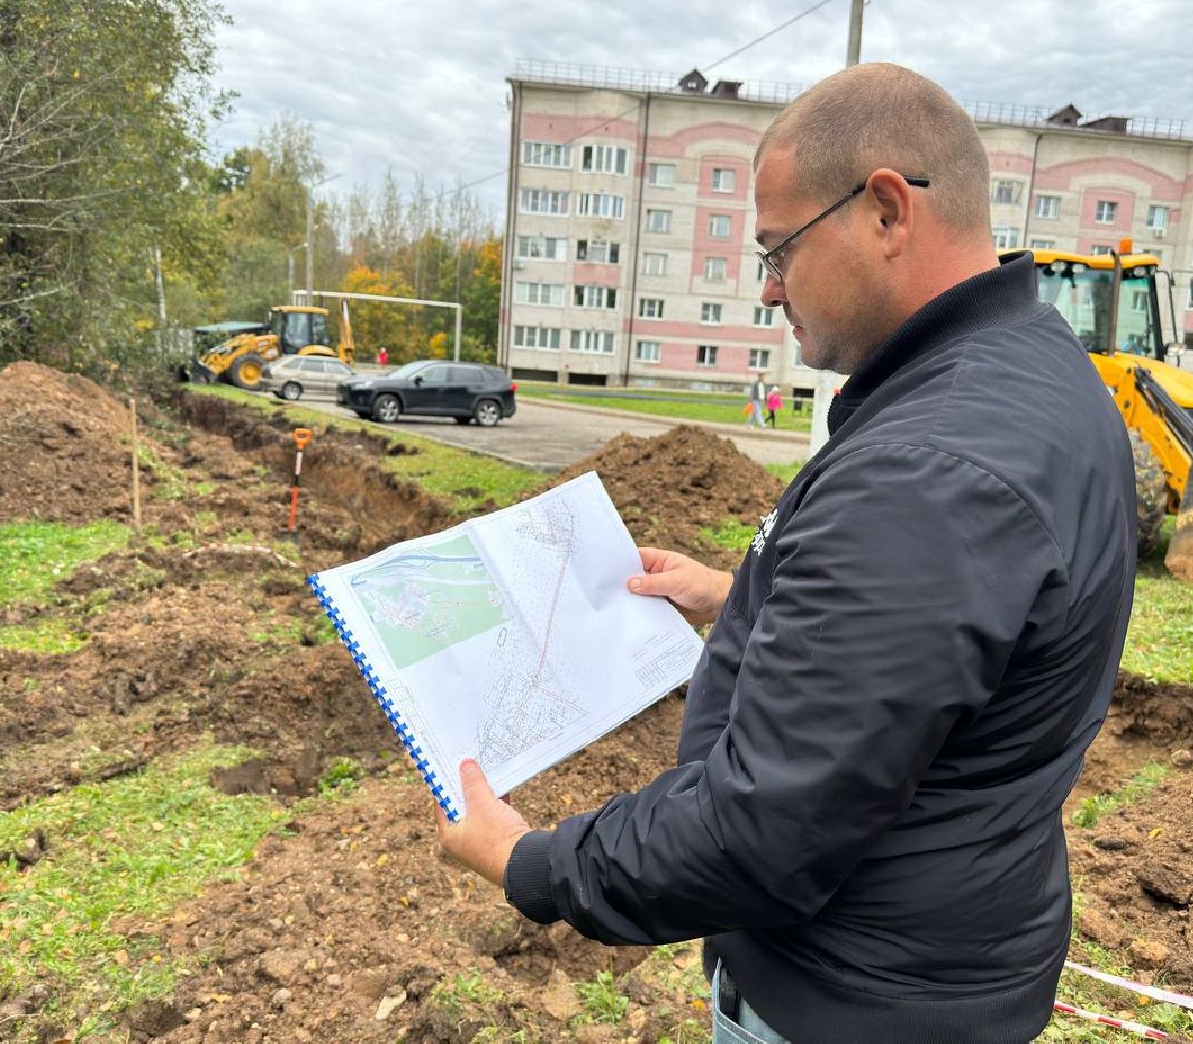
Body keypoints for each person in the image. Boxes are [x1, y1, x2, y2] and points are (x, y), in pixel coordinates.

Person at [437, 62, 1135, 1043]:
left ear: (887, 209)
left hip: (850, 999)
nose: (767, 288)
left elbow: (761, 829)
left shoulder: (928, 471)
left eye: (779, 249)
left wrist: (529, 863)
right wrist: (741, 598)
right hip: (935, 961)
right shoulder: (1029, 372)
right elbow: (945, 641)